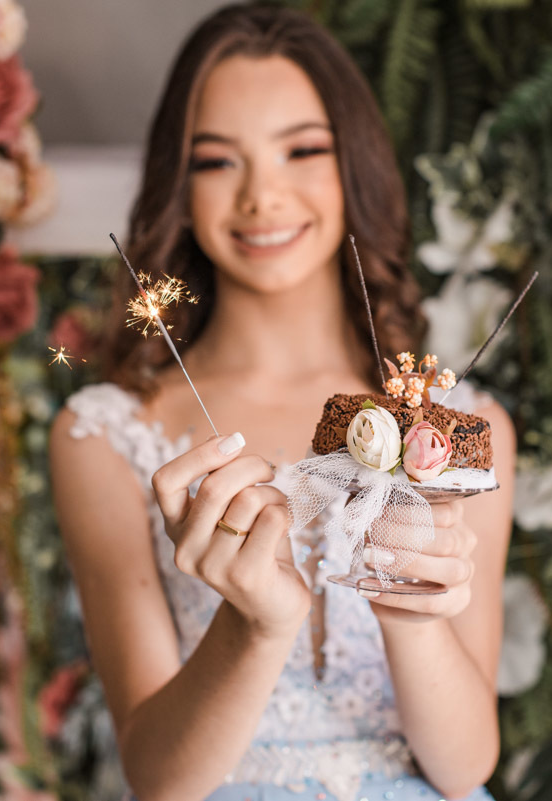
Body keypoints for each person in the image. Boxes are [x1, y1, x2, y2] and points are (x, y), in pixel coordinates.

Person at [49, 5, 516, 801]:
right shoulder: (107, 432)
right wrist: (254, 625)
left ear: (355, 166)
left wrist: (412, 616)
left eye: (301, 149)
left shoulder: (460, 431)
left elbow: (466, 765)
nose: (263, 195)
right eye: (218, 162)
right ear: (180, 185)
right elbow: (157, 776)